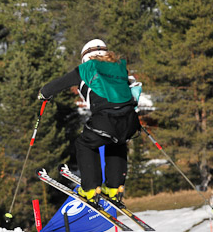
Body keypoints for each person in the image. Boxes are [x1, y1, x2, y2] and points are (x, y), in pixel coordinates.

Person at [38, 39, 140, 205]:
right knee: (117, 141)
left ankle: (91, 189)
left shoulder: (87, 68)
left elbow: (58, 84)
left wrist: (44, 93)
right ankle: (114, 188)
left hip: (106, 118)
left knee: (84, 144)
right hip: (130, 119)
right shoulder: (119, 66)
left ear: (85, 56)